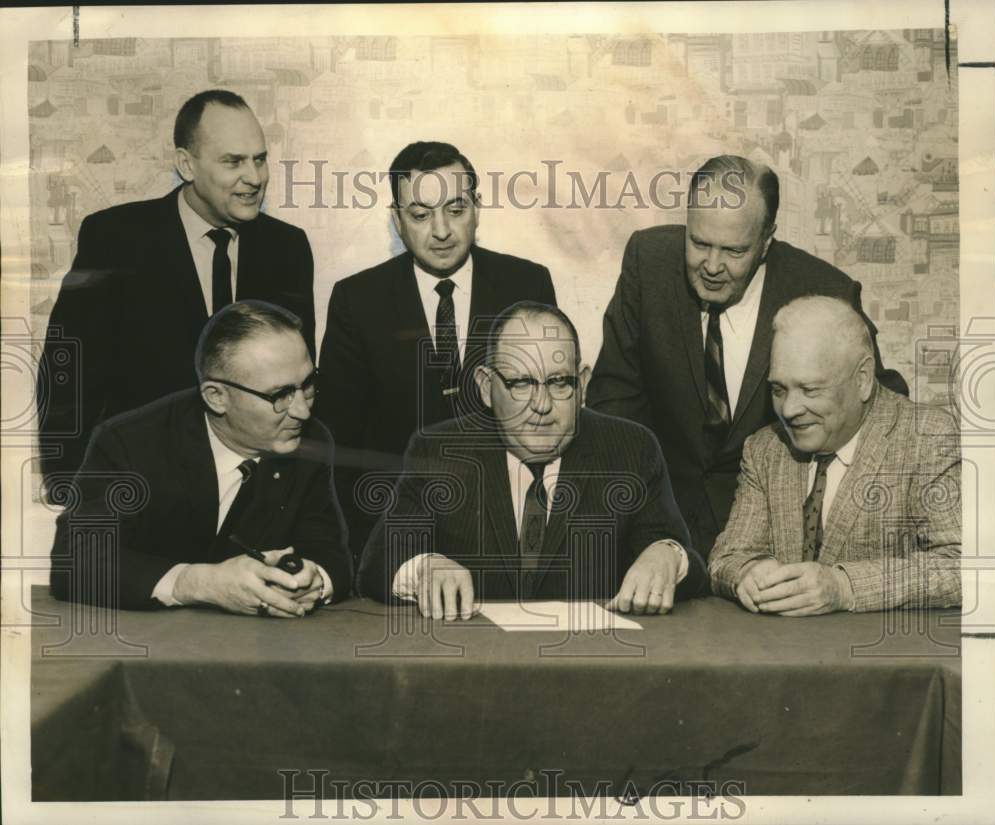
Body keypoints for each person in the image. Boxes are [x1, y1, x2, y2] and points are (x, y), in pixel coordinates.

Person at [587, 154, 908, 562]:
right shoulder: (648, 262)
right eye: (699, 243)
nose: (713, 266)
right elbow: (614, 402)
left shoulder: (824, 289)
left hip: (769, 541)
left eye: (734, 251)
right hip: (657, 527)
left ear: (766, 241)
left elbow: (882, 402)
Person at [37, 89, 315, 489]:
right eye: (233, 161)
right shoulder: (115, 238)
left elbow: (296, 382)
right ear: (187, 164)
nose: (254, 178)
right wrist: (69, 484)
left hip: (252, 493)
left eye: (260, 159)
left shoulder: (288, 248)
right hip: (141, 489)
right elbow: (69, 369)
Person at [357, 301, 705, 619]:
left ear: (582, 384)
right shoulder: (440, 449)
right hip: (475, 667)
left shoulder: (630, 449)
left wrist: (668, 555)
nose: (541, 405)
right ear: (485, 387)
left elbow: (689, 566)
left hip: (592, 667)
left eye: (559, 383)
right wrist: (425, 566)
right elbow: (376, 563)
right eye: (521, 383)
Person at [316, 141, 556, 567]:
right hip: (393, 542)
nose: (441, 230)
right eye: (421, 215)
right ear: (397, 220)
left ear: (477, 208)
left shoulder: (527, 285)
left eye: (456, 209)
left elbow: (547, 422)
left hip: (506, 543)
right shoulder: (357, 300)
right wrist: (367, 553)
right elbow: (339, 442)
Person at [49, 301, 351, 615]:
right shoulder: (129, 444)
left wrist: (313, 580)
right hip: (147, 643)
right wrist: (200, 582)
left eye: (308, 384)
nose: (303, 410)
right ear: (216, 397)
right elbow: (75, 560)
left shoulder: (309, 440)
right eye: (280, 395)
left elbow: (330, 552)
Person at [709, 296, 960, 614]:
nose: (789, 410)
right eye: (778, 390)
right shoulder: (765, 449)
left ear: (863, 379)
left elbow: (962, 567)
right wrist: (749, 571)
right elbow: (727, 556)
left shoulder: (927, 437)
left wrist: (844, 586)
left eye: (810, 390)